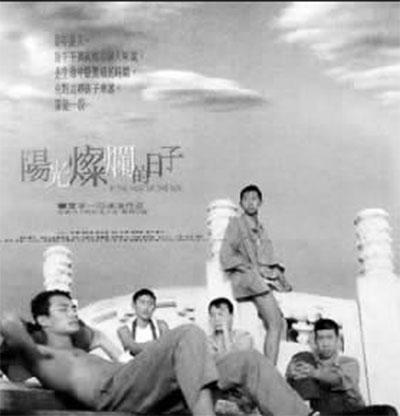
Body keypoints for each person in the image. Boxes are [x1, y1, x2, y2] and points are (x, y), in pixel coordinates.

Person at [1, 290, 315, 416]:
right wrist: (30, 331)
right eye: (63, 309)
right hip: (114, 393)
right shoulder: (40, 355)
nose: (73, 312)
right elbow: (8, 324)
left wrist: (101, 343)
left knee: (247, 361)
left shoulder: (79, 347)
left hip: (144, 388)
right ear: (42, 320)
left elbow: (96, 335)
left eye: (73, 307)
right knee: (187, 334)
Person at [220, 184, 291, 364]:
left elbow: (269, 258)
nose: (250, 202)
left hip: (260, 279)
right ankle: (269, 370)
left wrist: (280, 277)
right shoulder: (236, 224)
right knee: (275, 323)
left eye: (254, 199)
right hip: (248, 278)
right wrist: (251, 267)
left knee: (280, 323)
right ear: (241, 204)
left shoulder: (261, 229)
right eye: (246, 199)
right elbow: (226, 256)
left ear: (260, 202)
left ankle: (268, 367)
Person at [286, 318, 398, 416]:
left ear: (337, 340)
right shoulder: (308, 361)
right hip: (324, 414)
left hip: (353, 413)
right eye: (321, 338)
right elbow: (296, 392)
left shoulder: (349, 363)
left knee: (388, 412)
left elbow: (338, 380)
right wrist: (292, 374)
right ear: (315, 341)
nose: (325, 343)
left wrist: (314, 373)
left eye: (329, 338)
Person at [117, 288, 169, 357]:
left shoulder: (161, 326)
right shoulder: (124, 330)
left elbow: (167, 346)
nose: (146, 308)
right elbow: (133, 348)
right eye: (142, 303)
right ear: (134, 305)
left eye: (150, 304)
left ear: (154, 307)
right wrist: (157, 345)